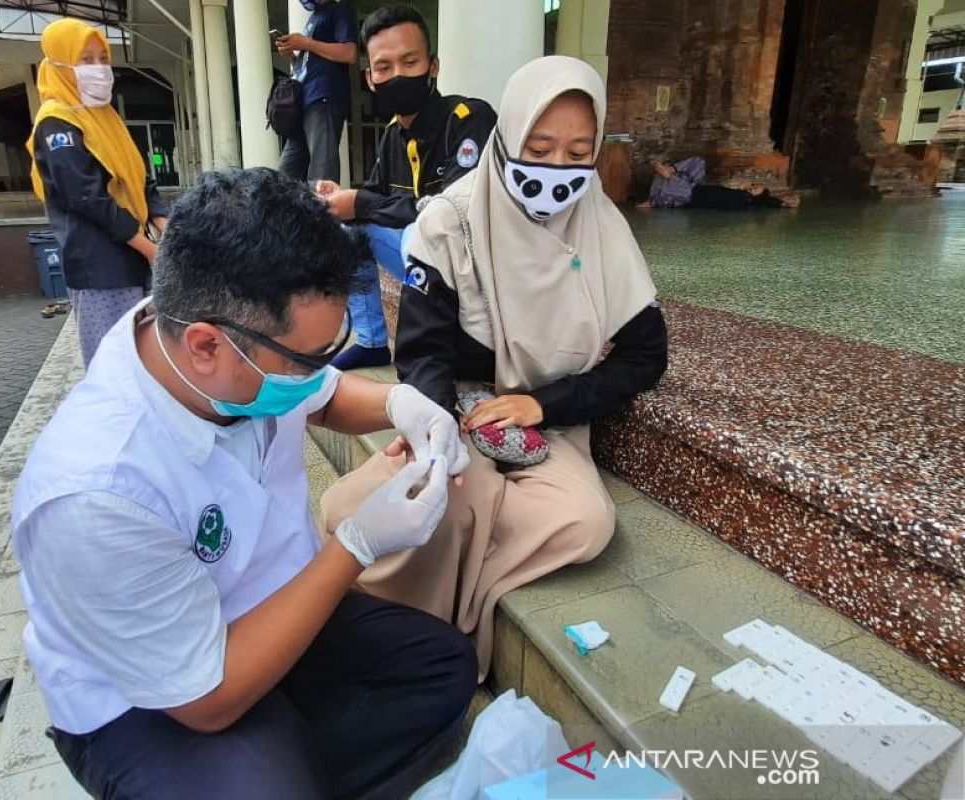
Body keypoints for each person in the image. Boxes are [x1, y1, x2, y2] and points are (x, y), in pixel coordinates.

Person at [12, 168, 478, 799]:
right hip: (153, 696)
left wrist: (402, 403)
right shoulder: (97, 492)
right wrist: (357, 545)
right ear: (206, 345)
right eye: (307, 357)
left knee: (442, 669)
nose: (321, 370)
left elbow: (321, 394)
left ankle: (284, 766)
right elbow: (205, 699)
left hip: (272, 601)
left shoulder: (227, 354)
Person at [321, 57, 669, 678]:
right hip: (458, 404)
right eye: (539, 147)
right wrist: (439, 432)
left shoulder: (603, 228)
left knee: (584, 522)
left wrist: (545, 404)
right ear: (506, 135)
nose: (558, 169)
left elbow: (646, 355)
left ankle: (469, 595)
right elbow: (424, 352)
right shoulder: (451, 220)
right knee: (452, 493)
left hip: (545, 417)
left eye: (577, 152)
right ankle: (410, 635)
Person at [319, 5, 496, 371]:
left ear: (433, 66)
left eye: (409, 62)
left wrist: (362, 203)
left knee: (423, 230)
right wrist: (342, 199)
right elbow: (373, 200)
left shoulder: (467, 120)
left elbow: (457, 214)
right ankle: (371, 342)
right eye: (384, 67)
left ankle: (445, 346)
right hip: (418, 262)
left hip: (472, 275)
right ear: (370, 78)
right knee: (344, 230)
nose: (397, 75)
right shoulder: (391, 136)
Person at [27, 18, 170, 367]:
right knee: (114, 361)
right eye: (85, 60)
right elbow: (87, 198)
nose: (99, 69)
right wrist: (149, 248)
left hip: (135, 257)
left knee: (146, 356)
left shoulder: (105, 118)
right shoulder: (57, 122)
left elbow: (138, 175)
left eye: (102, 58)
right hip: (100, 265)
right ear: (59, 64)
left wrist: (164, 225)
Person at [277, 0, 358, 183]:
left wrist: (306, 43)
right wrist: (292, 56)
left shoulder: (340, 9)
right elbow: (309, 63)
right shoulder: (315, 16)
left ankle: (323, 211)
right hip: (303, 102)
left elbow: (349, 53)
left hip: (323, 97)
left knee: (322, 173)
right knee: (284, 177)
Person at [638, 157, 798, 210]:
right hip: (694, 186)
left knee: (678, 191)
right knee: (699, 162)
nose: (752, 186)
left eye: (754, 188)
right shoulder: (739, 192)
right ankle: (670, 171)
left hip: (689, 195)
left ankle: (653, 200)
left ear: (754, 197)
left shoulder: (741, 200)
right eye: (754, 184)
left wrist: (782, 204)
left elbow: (766, 201)